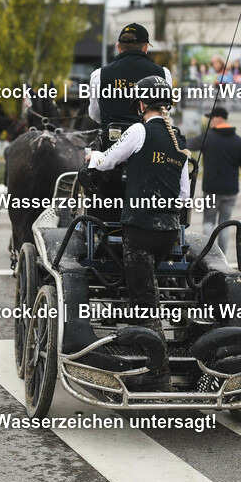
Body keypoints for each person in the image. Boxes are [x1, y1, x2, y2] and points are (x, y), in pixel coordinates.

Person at [84, 75, 190, 391]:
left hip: (139, 233)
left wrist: (92, 158)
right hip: (168, 233)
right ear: (166, 103)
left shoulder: (138, 131)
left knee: (144, 300)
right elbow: (184, 197)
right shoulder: (179, 143)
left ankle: (158, 373)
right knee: (147, 289)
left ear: (141, 104)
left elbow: (109, 161)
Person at [186, 106, 241, 256]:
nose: (210, 121)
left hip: (211, 189)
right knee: (224, 224)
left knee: (209, 221)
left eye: (212, 118)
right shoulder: (238, 141)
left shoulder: (208, 138)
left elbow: (187, 144)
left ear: (219, 119)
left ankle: (209, 254)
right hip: (231, 191)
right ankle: (221, 256)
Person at [87, 23, 172, 140]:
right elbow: (165, 114)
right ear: (145, 48)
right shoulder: (163, 74)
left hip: (111, 143)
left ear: (118, 47)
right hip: (150, 143)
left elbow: (94, 114)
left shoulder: (99, 75)